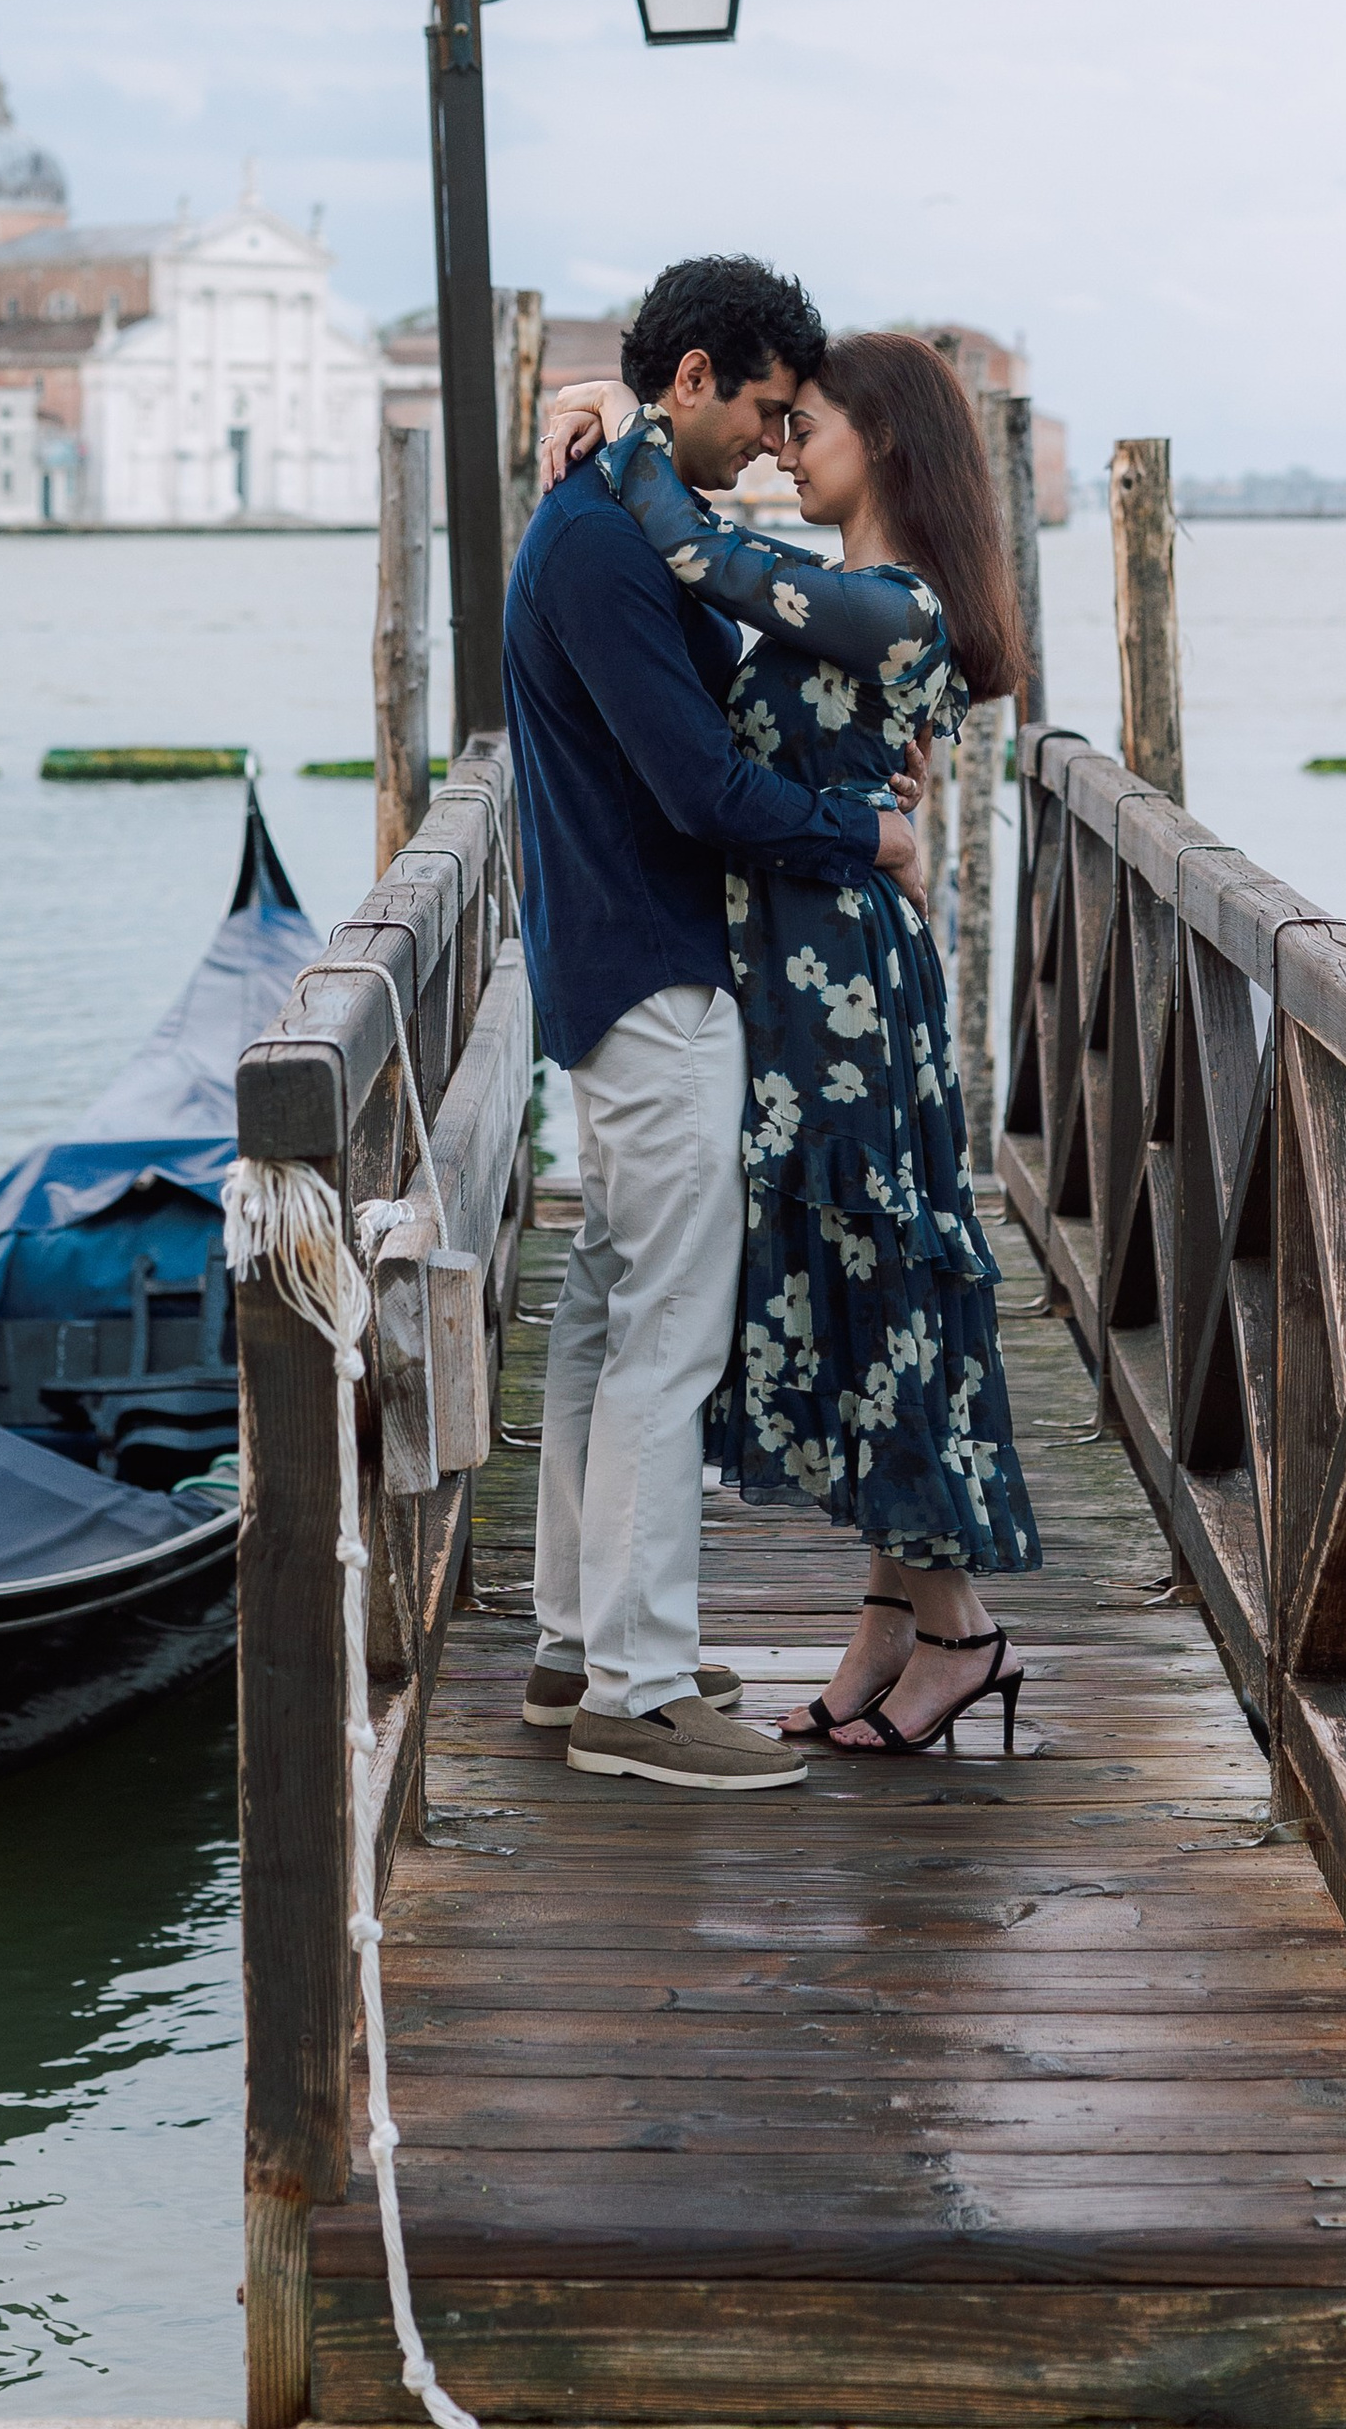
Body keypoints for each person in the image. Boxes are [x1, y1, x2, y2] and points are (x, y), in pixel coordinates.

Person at [542, 328, 1039, 1760]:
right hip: (803, 979)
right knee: (853, 1287)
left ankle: (958, 1632)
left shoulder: (888, 606)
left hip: (846, 999)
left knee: (877, 1295)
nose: (780, 447)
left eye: (804, 423)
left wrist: (620, 425)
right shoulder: (853, 603)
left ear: (880, 440)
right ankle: (889, 1629)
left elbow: (702, 564)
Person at [502, 256, 929, 1793]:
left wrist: (604, 425)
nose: (766, 441)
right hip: (654, 970)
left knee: (612, 1310)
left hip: (622, 959)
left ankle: (578, 1645)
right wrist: (863, 835)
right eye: (756, 407)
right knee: (668, 1336)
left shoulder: (611, 521)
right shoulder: (606, 553)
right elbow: (701, 792)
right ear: (692, 378)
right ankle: (641, 1687)